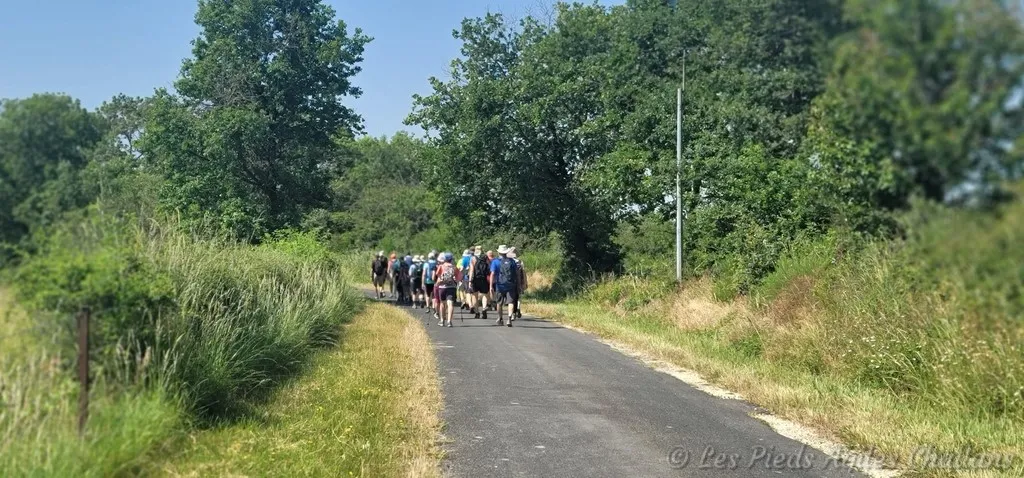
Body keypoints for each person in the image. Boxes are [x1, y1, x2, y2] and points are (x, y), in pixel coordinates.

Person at [490, 245, 518, 327]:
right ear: (506, 252)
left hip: (500, 285)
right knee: (511, 302)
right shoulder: (512, 261)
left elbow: (492, 274)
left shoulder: (495, 262)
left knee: (499, 303)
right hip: (510, 284)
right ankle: (509, 318)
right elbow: (516, 273)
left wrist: (491, 286)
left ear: (498, 252)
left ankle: (500, 318)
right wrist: (518, 283)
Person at [436, 252, 460, 327]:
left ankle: (442, 320)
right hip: (452, 287)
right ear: (451, 259)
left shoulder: (441, 266)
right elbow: (458, 277)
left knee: (442, 303)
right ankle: (449, 321)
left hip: (442, 287)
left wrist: (437, 284)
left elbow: (438, 276)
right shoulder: (454, 267)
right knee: (450, 304)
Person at [468, 245, 491, 319]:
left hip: (475, 279)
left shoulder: (473, 258)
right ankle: (484, 308)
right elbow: (489, 268)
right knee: (484, 294)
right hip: (484, 278)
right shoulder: (485, 257)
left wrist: (470, 281)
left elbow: (471, 270)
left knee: (475, 296)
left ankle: (477, 312)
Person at [508, 247, 527, 320]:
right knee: (518, 296)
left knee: (511, 298)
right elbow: (523, 272)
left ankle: (512, 313)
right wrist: (525, 282)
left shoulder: (508, 261)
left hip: (509, 282)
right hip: (519, 281)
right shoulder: (520, 261)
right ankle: (518, 308)